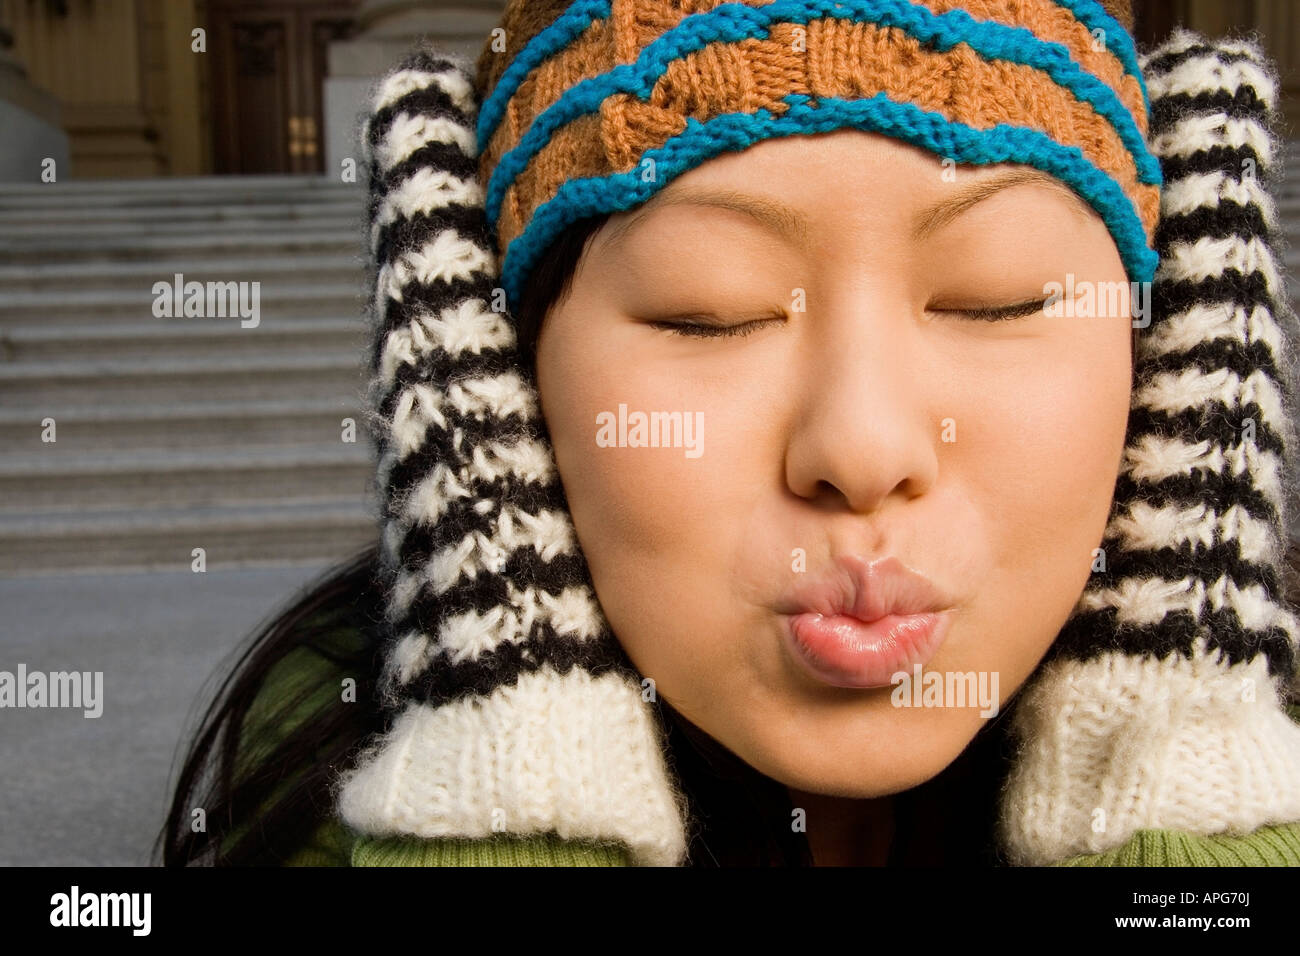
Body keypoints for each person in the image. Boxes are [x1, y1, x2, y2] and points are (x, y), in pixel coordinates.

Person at [158, 0, 1300, 866]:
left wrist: (1183, 757)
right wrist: (509, 777)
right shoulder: (332, 772)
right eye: (710, 311)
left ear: (1166, 354)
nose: (860, 449)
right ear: (501, 381)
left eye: (992, 299)